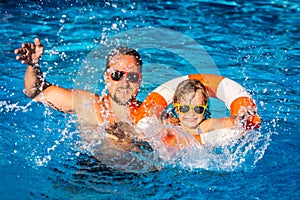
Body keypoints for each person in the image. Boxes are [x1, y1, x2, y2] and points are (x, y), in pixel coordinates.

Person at [14, 38, 150, 152]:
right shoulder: (88, 104)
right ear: (107, 77)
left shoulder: (152, 114)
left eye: (132, 76)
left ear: (140, 79)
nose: (124, 83)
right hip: (88, 172)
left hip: (133, 177)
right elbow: (36, 92)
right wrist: (33, 65)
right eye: (117, 75)